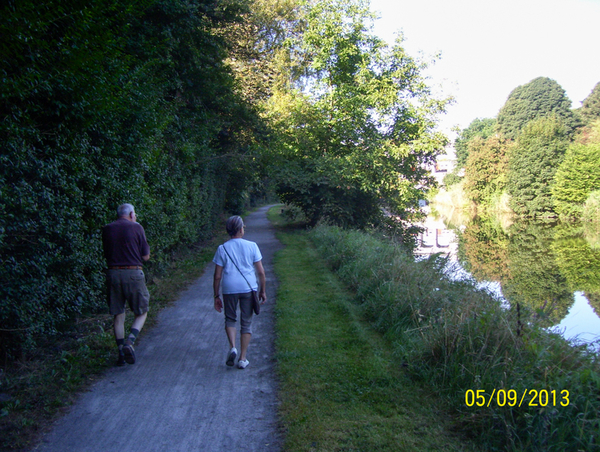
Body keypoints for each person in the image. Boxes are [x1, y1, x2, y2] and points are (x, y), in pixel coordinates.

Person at [213, 215, 266, 369]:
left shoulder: (222, 248)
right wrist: (262, 290)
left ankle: (232, 347)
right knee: (246, 323)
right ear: (241, 229)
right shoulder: (252, 246)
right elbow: (261, 272)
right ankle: (243, 358)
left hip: (229, 288)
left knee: (230, 318)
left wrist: (216, 295)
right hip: (248, 288)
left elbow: (217, 276)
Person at [102, 203, 150, 366]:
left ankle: (121, 353)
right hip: (133, 273)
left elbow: (106, 253)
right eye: (134, 214)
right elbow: (145, 256)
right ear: (130, 214)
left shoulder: (107, 229)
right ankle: (130, 341)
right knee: (142, 311)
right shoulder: (136, 227)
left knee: (118, 314)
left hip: (113, 274)